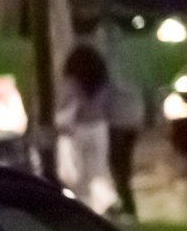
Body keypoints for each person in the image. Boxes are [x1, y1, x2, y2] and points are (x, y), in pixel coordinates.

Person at [98, 17, 148, 218]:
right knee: (121, 162)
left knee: (118, 163)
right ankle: (125, 202)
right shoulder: (132, 55)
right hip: (133, 116)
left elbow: (111, 88)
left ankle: (126, 204)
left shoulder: (111, 59)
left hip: (119, 118)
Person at [57, 44, 115, 214]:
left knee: (79, 175)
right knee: (99, 170)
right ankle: (102, 208)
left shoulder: (72, 83)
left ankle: (83, 208)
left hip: (79, 129)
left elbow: (66, 107)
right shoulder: (101, 81)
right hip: (99, 127)